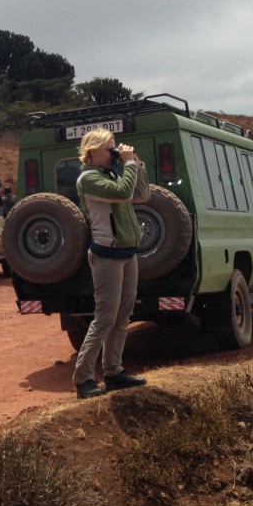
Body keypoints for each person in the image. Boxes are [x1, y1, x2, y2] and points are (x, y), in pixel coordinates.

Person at [72, 129, 151, 399]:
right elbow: (122, 192)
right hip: (106, 255)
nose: (114, 153)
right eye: (110, 149)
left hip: (127, 253)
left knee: (122, 316)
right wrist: (127, 165)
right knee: (104, 318)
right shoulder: (89, 178)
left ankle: (114, 372)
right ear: (92, 152)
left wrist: (136, 163)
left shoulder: (112, 174)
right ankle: (83, 379)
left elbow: (140, 194)